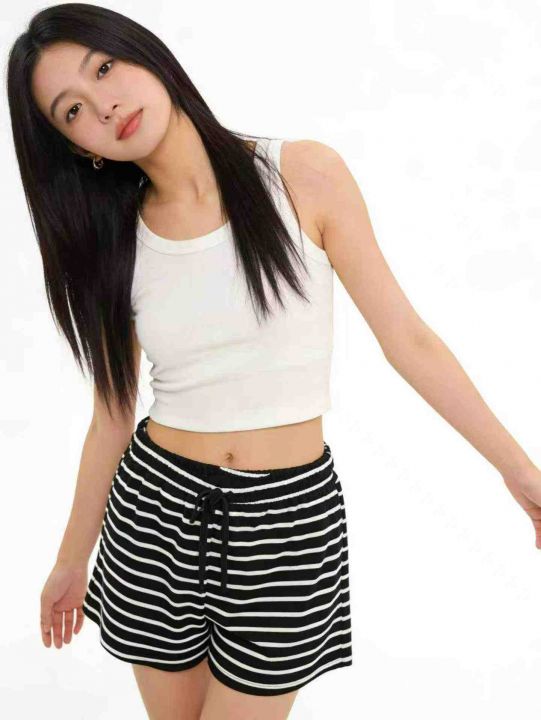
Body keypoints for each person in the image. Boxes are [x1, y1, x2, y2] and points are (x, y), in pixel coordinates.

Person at [7, 4, 540, 719]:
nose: (103, 105)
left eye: (103, 68)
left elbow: (407, 340)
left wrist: (518, 470)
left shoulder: (302, 174)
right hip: (154, 514)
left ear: (145, 53)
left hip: (287, 522)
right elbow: (111, 415)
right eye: (72, 110)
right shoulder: (116, 241)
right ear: (77, 148)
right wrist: (71, 559)